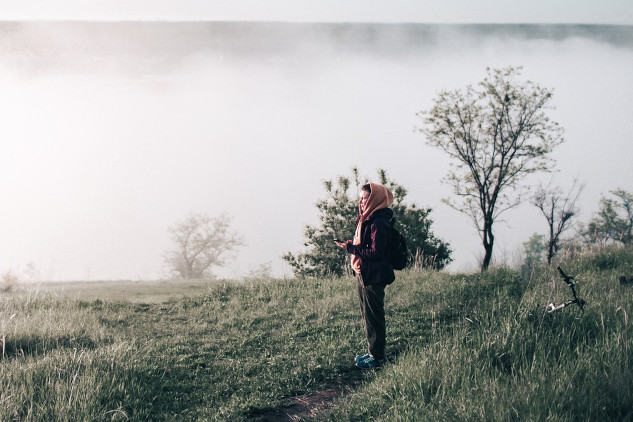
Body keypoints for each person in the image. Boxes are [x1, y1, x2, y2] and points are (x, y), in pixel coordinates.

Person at [335, 182, 395, 369]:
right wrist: (353, 246)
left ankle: (377, 357)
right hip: (364, 272)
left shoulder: (379, 222)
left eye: (365, 198)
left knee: (374, 316)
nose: (361, 202)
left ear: (375, 199)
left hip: (374, 275)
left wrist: (350, 248)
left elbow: (376, 253)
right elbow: (367, 246)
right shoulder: (366, 219)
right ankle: (372, 353)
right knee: (367, 315)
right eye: (360, 199)